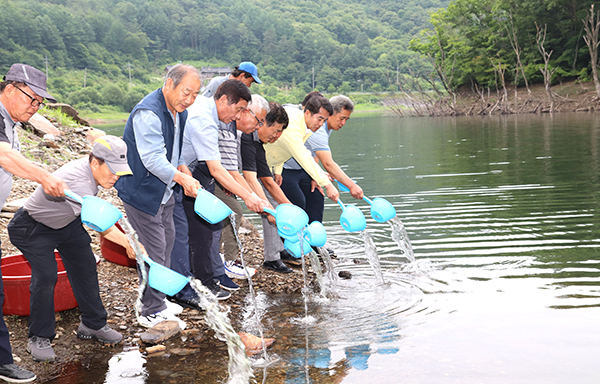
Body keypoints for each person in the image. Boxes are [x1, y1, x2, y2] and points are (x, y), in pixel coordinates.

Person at [8, 136, 138, 363]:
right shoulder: (78, 180)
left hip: (65, 223)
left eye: (120, 171)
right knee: (46, 275)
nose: (116, 177)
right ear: (95, 162)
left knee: (85, 265)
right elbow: (103, 226)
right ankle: (39, 336)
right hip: (32, 227)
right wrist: (130, 243)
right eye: (113, 170)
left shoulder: (93, 172)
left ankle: (93, 324)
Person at [115, 64, 201, 329]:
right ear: (168, 84)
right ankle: (149, 309)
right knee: (153, 250)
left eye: (196, 94)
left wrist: (185, 171)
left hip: (164, 192)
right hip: (143, 193)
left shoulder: (179, 111)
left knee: (167, 244)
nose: (190, 100)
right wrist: (182, 178)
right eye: (186, 92)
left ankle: (159, 298)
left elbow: (175, 152)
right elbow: (152, 159)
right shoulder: (148, 113)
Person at [0, 63, 67, 382]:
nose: (35, 106)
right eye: (32, 98)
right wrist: (44, 177)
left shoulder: (11, 121)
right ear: (10, 88)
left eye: (40, 102)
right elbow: (5, 157)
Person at [178, 79, 264, 303]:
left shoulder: (208, 112)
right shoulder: (204, 120)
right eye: (238, 110)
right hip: (184, 174)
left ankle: (206, 279)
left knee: (207, 227)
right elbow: (218, 169)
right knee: (200, 230)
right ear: (223, 99)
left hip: (190, 169)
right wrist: (249, 196)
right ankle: (201, 284)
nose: (237, 117)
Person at [215, 94, 270, 281]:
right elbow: (233, 173)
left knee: (229, 210)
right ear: (246, 112)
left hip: (218, 176)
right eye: (259, 120)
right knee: (233, 210)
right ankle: (227, 262)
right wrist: (254, 199)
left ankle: (219, 258)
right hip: (202, 176)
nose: (259, 126)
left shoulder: (237, 133)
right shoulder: (228, 129)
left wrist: (259, 201)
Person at [288, 95, 363, 223]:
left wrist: (315, 177)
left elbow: (315, 153)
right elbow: (328, 163)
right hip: (286, 168)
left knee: (317, 196)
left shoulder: (328, 127)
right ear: (330, 114)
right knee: (299, 203)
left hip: (304, 167)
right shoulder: (319, 128)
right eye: (342, 118)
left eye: (347, 120)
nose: (343, 123)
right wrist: (352, 186)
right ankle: (297, 237)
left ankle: (315, 238)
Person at [265, 94, 339, 221]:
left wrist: (277, 171)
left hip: (272, 164)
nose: (321, 124)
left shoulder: (304, 124)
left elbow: (280, 147)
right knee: (294, 204)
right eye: (319, 119)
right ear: (307, 113)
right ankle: (294, 238)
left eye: (324, 121)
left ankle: (308, 238)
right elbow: (303, 156)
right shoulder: (292, 124)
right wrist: (328, 185)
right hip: (259, 162)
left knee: (313, 199)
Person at [240, 102, 295, 273]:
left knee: (274, 204)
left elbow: (268, 181)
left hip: (235, 177)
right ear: (263, 122)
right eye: (276, 130)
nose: (277, 136)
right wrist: (269, 209)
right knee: (268, 209)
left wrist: (289, 207)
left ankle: (275, 254)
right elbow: (250, 178)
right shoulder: (245, 137)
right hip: (222, 176)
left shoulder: (257, 144)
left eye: (280, 132)